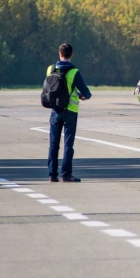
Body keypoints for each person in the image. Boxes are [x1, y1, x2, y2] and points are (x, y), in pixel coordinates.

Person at [47, 43, 92, 182]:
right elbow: (86, 93)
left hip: (55, 109)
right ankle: (66, 174)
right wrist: (81, 95)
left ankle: (52, 174)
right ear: (71, 54)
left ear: (59, 53)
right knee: (68, 144)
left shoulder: (50, 69)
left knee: (53, 144)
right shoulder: (74, 72)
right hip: (70, 111)